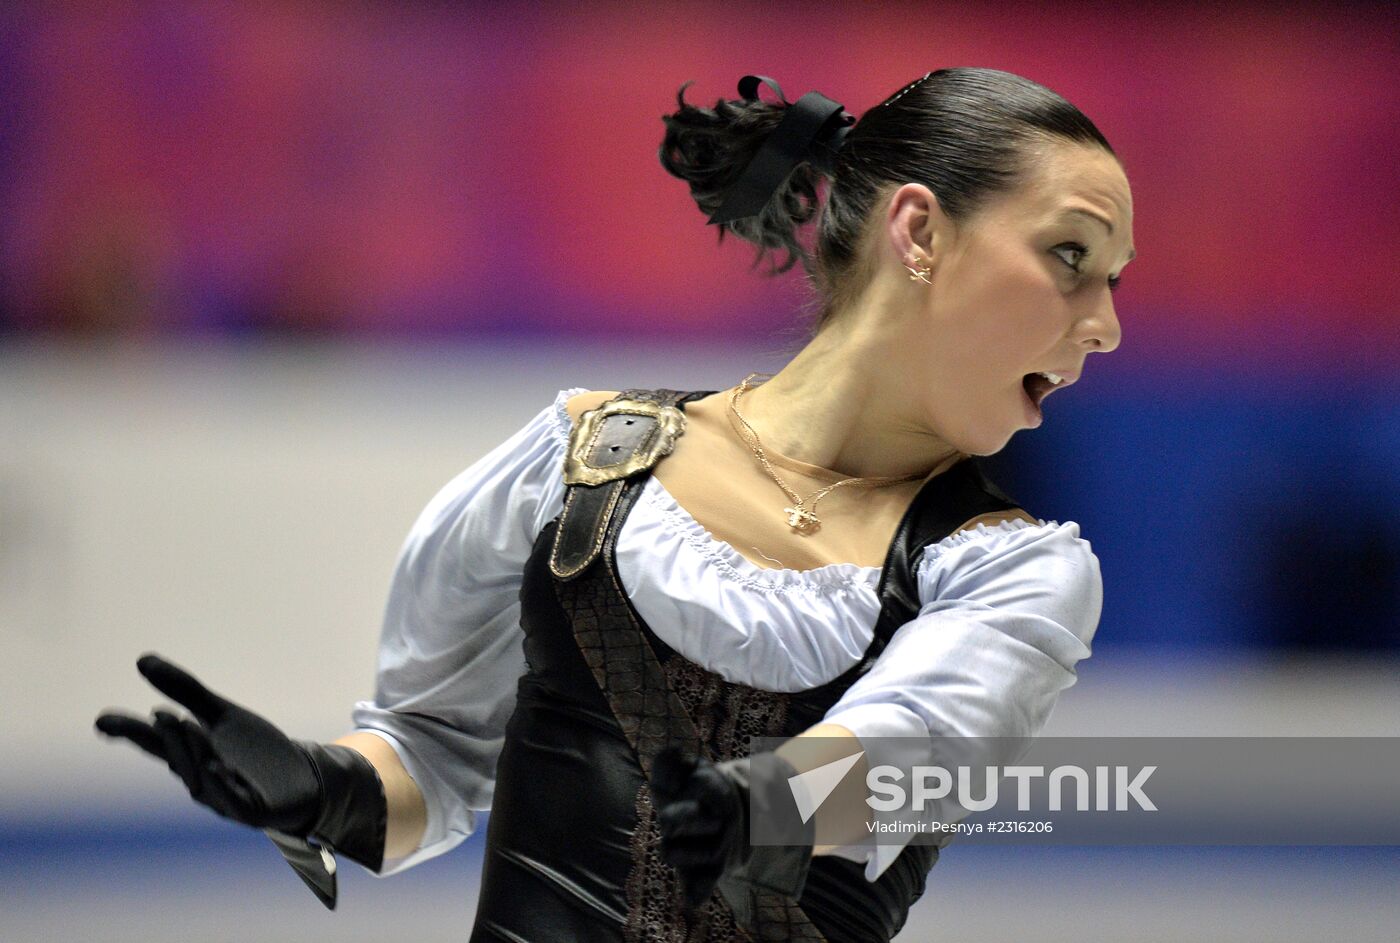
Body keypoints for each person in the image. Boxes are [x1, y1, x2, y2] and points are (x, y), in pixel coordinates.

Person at [95, 67, 1132, 942]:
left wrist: (754, 804)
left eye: (1112, 282)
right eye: (1069, 257)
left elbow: (911, 750)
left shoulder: (1010, 569)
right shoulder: (586, 458)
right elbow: (432, 753)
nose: (1103, 327)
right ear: (918, 229)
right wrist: (322, 788)